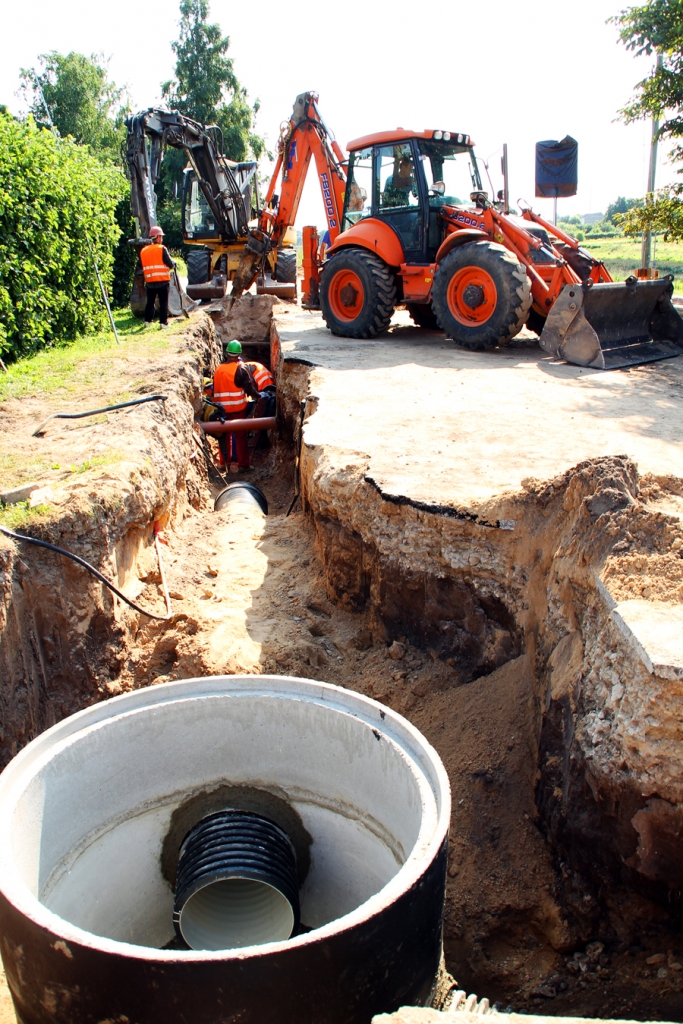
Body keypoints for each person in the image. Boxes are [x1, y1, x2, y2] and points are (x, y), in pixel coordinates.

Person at [210, 339, 256, 471]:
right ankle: (243, 465)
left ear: (227, 353)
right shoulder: (240, 368)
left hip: (222, 409)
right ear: (239, 354)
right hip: (238, 408)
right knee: (241, 437)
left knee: (224, 437)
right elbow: (248, 388)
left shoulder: (219, 369)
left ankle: (224, 463)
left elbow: (215, 390)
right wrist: (257, 396)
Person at [140, 226, 175, 328]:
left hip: (150, 282)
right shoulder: (162, 249)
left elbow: (142, 265)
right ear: (158, 237)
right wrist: (174, 264)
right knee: (163, 302)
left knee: (150, 302)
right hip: (162, 281)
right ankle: (163, 323)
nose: (162, 239)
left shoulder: (143, 251)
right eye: (161, 236)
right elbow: (170, 264)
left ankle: (147, 321)